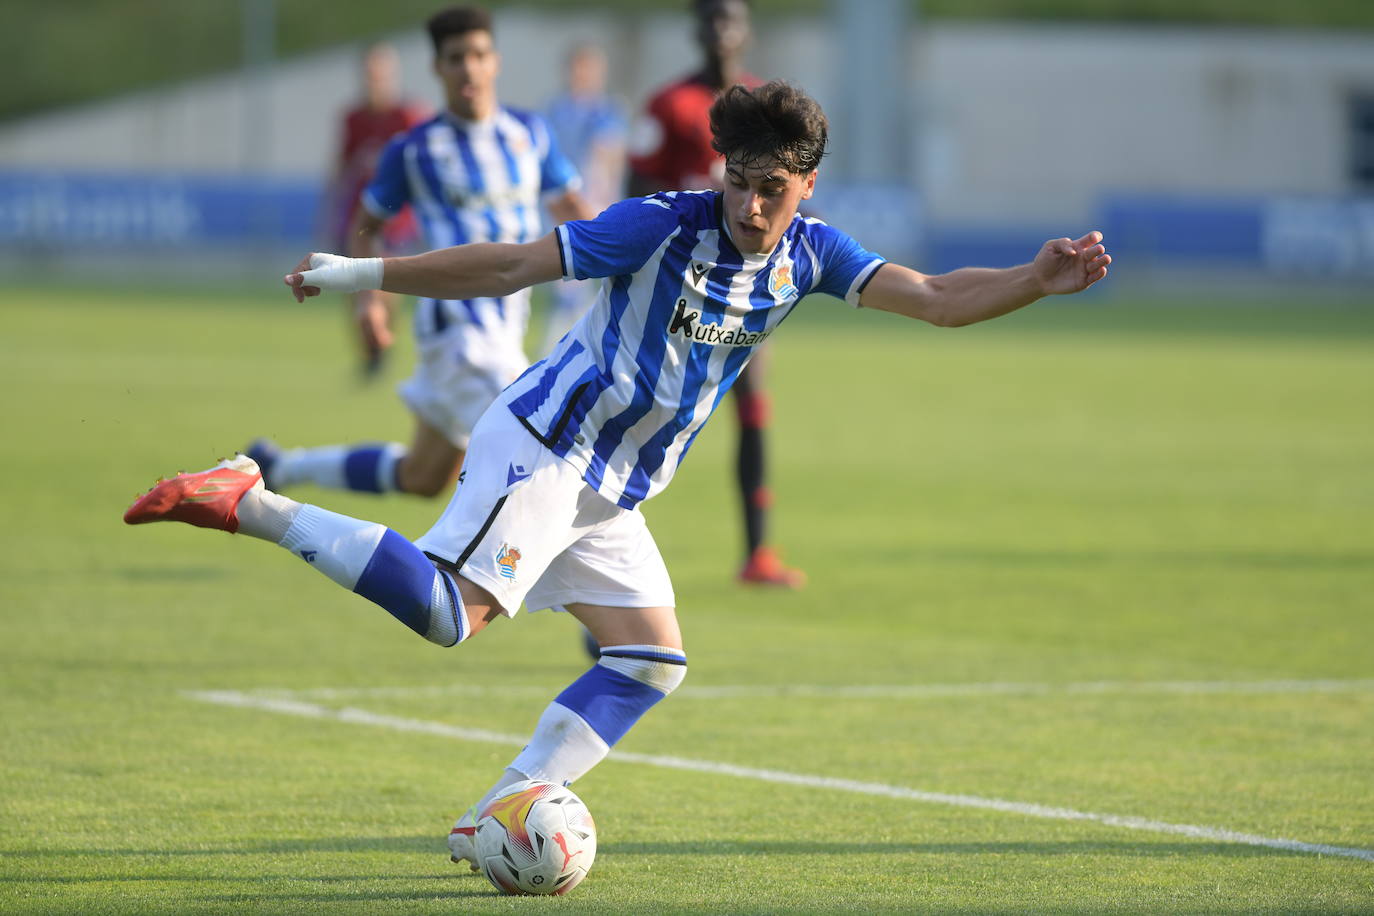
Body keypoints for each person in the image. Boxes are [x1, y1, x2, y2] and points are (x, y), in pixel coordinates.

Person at [125, 80, 1110, 872]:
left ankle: (497, 811)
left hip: (613, 487)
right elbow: (509, 266)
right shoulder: (660, 225)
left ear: (809, 185)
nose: (752, 205)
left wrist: (1034, 279)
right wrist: (361, 272)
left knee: (647, 662)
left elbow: (935, 297)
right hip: (548, 443)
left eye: (773, 188)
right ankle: (252, 501)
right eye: (740, 182)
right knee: (450, 614)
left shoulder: (813, 255)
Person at [248, 6, 594, 500]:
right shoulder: (415, 149)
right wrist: (368, 302)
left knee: (423, 476)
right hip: (459, 332)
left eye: (478, 54)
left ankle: (280, 467)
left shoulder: (530, 134)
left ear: (495, 61)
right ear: (437, 67)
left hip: (505, 325)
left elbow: (573, 209)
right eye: (456, 58)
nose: (469, 67)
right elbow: (365, 227)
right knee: (537, 458)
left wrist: (627, 249)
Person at [628, 0, 800, 588]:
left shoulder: (766, 108)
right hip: (677, 282)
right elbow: (635, 186)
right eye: (713, 19)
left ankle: (758, 553)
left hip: (743, 286)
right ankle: (600, 540)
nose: (722, 31)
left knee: (751, 405)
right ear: (698, 31)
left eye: (732, 19)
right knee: (648, 409)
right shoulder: (668, 105)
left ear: (746, 31)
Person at [325, 42, 429, 376]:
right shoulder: (354, 118)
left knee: (384, 283)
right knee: (352, 285)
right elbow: (341, 166)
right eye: (370, 74)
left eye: (381, 74)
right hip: (359, 214)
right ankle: (369, 349)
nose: (376, 81)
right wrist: (331, 208)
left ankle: (382, 337)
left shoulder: (407, 116)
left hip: (395, 216)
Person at [539, 43, 627, 355]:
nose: (582, 75)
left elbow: (609, 159)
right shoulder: (554, 111)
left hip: (596, 208)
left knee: (595, 288)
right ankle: (560, 353)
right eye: (577, 68)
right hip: (560, 207)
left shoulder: (607, 112)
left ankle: (586, 352)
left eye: (588, 68)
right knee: (567, 285)